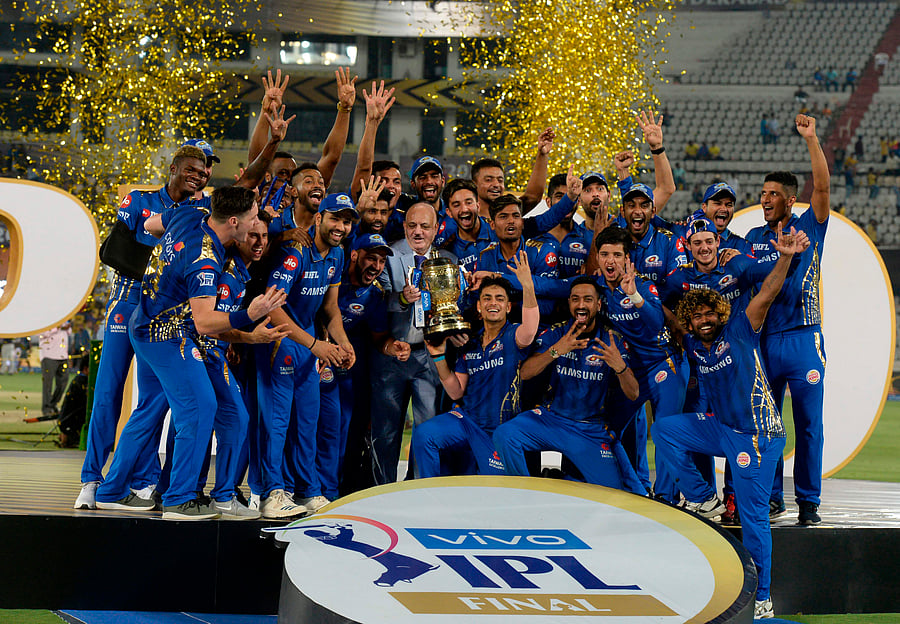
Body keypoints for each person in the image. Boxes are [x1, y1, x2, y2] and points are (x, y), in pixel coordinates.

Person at [94, 186, 287, 520]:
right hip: (165, 333)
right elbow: (205, 322)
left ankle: (112, 491)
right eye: (253, 218)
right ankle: (179, 499)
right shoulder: (206, 262)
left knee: (154, 410)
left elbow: (151, 224)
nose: (256, 224)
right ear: (233, 222)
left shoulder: (190, 214)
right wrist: (250, 315)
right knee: (201, 407)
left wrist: (169, 262)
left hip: (147, 320)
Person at [653, 226, 809, 620]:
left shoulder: (741, 327)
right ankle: (704, 497)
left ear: (721, 313)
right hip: (722, 429)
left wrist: (785, 257)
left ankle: (763, 597)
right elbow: (672, 321)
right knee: (665, 430)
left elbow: (767, 292)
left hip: (756, 436)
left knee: (754, 520)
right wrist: (640, 294)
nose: (704, 319)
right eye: (697, 315)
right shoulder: (693, 342)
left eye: (710, 313)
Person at [744, 113, 830, 525]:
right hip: (764, 342)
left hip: (802, 339)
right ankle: (772, 498)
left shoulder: (809, 227)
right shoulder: (753, 239)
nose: (765, 199)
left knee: (809, 425)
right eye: (763, 193)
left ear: (790, 200)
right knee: (767, 425)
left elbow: (823, 188)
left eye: (773, 194)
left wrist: (811, 139)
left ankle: (809, 503)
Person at [492, 277, 644, 494]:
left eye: (587, 300)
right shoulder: (556, 333)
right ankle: (524, 493)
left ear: (598, 305)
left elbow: (634, 393)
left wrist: (619, 366)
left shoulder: (613, 340)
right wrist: (556, 351)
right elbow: (525, 373)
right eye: (575, 299)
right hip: (550, 420)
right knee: (505, 435)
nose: (581, 305)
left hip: (588, 429)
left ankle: (568, 478)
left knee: (614, 496)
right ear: (569, 303)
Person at [260, 193, 359, 518]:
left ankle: (306, 491)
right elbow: (272, 307)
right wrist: (315, 345)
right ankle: (273, 493)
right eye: (335, 218)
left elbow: (330, 308)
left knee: (307, 422)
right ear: (319, 218)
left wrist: (343, 343)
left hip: (307, 343)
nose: (340, 227)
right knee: (277, 423)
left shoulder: (338, 255)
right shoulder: (295, 253)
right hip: (280, 341)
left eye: (346, 221)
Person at [413, 256, 538, 478]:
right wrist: (438, 357)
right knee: (424, 434)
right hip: (467, 421)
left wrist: (528, 285)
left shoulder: (513, 335)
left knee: (499, 489)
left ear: (508, 307)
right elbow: (456, 391)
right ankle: (428, 493)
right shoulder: (470, 342)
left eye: (500, 299)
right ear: (479, 306)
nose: (493, 303)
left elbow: (530, 329)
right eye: (487, 298)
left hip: (498, 430)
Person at [371, 202, 460, 485]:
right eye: (412, 225)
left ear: (436, 229)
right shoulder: (389, 255)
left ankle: (422, 489)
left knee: (427, 430)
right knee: (386, 431)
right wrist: (401, 298)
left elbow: (454, 305)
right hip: (392, 354)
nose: (418, 232)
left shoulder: (448, 261)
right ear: (404, 226)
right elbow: (377, 301)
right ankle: (381, 490)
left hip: (428, 356)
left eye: (424, 226)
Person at [320, 233, 412, 499]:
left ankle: (337, 490)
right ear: (354, 255)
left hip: (347, 364)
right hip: (311, 356)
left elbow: (379, 337)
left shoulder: (375, 294)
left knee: (346, 427)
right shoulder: (330, 277)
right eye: (371, 258)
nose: (377, 266)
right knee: (315, 426)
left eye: (382, 261)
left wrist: (393, 347)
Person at [38, 325, 69, 417]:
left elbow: (69, 331)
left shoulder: (62, 319)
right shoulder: (42, 321)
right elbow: (41, 334)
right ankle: (46, 408)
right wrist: (57, 327)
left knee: (63, 382)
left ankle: (53, 404)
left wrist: (67, 327)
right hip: (49, 355)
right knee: (48, 383)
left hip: (63, 354)